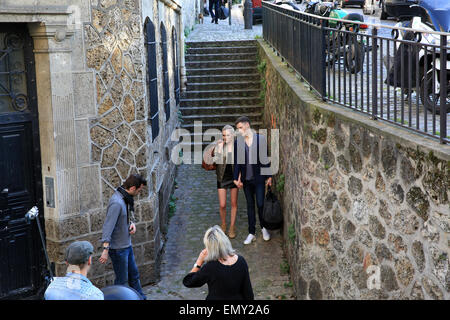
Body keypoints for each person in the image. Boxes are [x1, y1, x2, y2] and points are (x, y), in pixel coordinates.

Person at [99, 174, 147, 300]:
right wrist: (105, 250)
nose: (139, 192)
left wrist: (131, 224)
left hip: (126, 245)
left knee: (134, 275)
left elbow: (125, 217)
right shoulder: (117, 202)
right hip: (118, 250)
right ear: (132, 188)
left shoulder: (126, 198)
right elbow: (108, 226)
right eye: (139, 190)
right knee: (121, 283)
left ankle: (141, 298)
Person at [182, 226, 254, 300]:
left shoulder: (210, 267)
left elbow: (188, 281)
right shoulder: (241, 261)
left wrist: (199, 262)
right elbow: (248, 292)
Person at [233, 116, 272, 245]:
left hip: (259, 178)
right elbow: (237, 162)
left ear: (247, 125)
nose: (238, 131)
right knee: (250, 206)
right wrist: (235, 178)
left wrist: (269, 176)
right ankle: (251, 233)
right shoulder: (238, 142)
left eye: (240, 127)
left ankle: (264, 228)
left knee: (260, 204)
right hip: (246, 180)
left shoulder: (260, 139)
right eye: (237, 128)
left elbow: (265, 159)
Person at [211, 125, 238, 239]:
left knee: (233, 203)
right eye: (223, 135)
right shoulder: (220, 145)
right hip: (222, 177)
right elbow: (214, 160)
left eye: (227, 135)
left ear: (232, 135)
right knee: (222, 204)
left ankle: (232, 226)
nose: (225, 137)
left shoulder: (237, 146)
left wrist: (239, 177)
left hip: (234, 177)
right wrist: (218, 148)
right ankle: (223, 224)